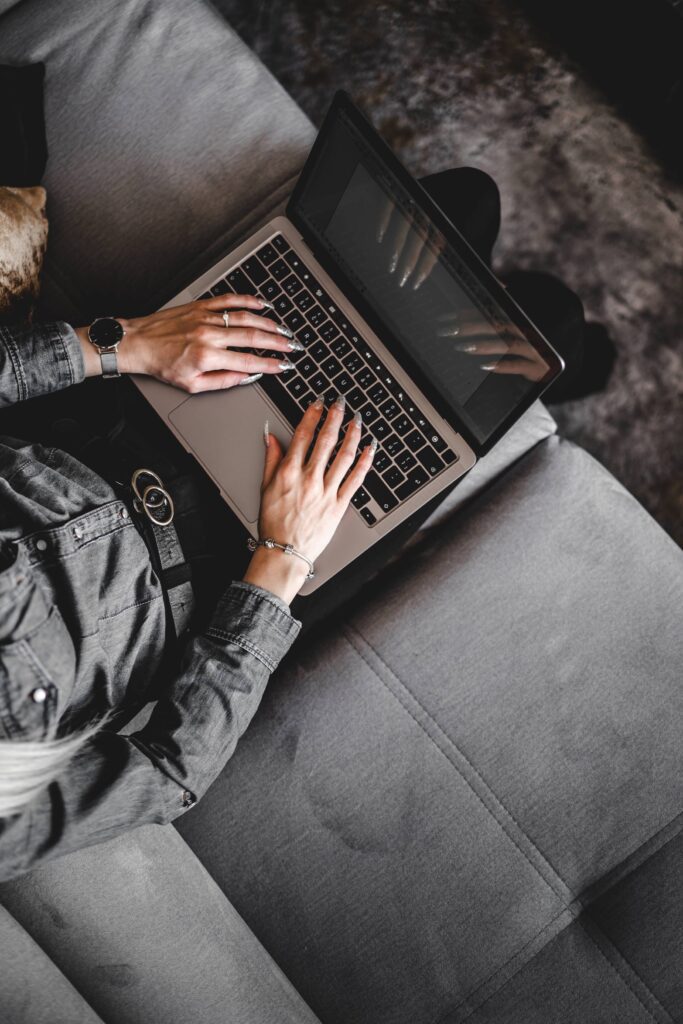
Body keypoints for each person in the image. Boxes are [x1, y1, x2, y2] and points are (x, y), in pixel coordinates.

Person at [0, 167, 595, 881]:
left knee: (461, 200)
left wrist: (120, 343)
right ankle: (566, 358)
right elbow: (167, 775)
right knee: (531, 339)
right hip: (231, 565)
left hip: (115, 418)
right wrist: (281, 561)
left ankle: (556, 348)